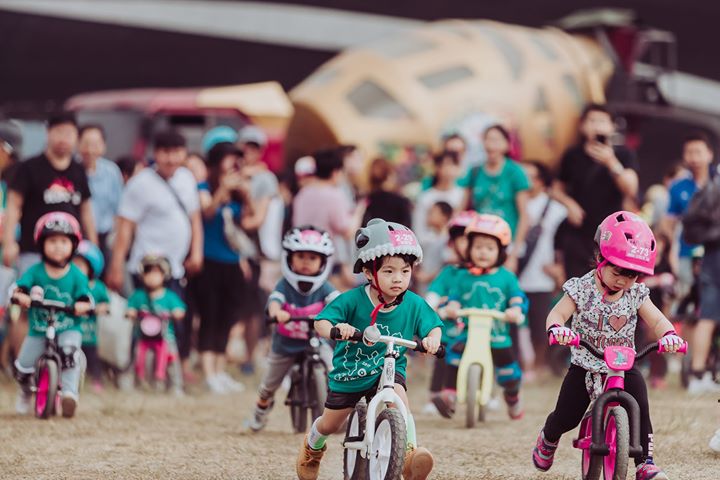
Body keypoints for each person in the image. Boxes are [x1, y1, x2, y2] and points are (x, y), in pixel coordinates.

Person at [532, 211, 685, 480]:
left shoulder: (636, 293)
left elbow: (658, 320)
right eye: (618, 271)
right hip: (585, 364)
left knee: (640, 406)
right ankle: (549, 436)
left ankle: (645, 462)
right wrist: (558, 329)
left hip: (624, 365)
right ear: (601, 257)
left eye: (633, 275)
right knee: (567, 415)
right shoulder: (581, 288)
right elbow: (556, 314)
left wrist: (669, 334)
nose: (624, 281)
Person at [295, 219, 442, 480]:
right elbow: (321, 321)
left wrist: (431, 339)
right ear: (368, 272)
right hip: (351, 372)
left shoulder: (414, 304)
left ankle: (408, 453)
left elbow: (433, 326)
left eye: (405, 271)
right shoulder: (353, 299)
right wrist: (337, 329)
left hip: (389, 368)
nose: (398, 278)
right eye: (388, 271)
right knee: (330, 423)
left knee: (398, 401)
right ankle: (313, 448)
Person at [106, 130, 203, 377]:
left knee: (177, 319)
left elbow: (194, 219)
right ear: (155, 153)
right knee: (144, 321)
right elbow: (125, 228)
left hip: (176, 267)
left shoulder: (186, 178)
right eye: (165, 152)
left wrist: (196, 252)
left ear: (183, 153)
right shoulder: (141, 183)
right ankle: (136, 369)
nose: (171, 159)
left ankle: (175, 368)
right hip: (145, 267)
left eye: (176, 153)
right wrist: (116, 265)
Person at [246, 226, 339, 432]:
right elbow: (275, 301)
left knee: (333, 368)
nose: (306, 262)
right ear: (290, 259)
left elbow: (338, 302)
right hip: (285, 345)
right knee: (270, 384)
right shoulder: (284, 285)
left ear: (323, 262)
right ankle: (260, 411)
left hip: (316, 341)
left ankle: (337, 409)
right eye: (301, 257)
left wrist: (344, 316)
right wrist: (276, 312)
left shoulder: (325, 287)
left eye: (313, 258)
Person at [441, 214, 526, 420]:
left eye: (489, 248)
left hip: (497, 334)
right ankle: (450, 393)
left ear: (500, 251)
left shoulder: (506, 276)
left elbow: (516, 297)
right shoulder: (463, 276)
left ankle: (512, 396)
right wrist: (451, 307)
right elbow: (455, 297)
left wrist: (515, 311)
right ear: (469, 248)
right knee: (453, 356)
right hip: (468, 331)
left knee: (508, 372)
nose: (483, 252)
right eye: (478, 247)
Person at [12, 212, 92, 417]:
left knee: (69, 354)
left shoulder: (76, 274)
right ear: (42, 244)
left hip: (68, 326)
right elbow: (20, 286)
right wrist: (20, 296)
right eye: (53, 241)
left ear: (73, 245)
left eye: (64, 241)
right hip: (38, 329)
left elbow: (85, 295)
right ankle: (25, 392)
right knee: (23, 367)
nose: (58, 246)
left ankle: (69, 394)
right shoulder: (35, 271)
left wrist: (82, 304)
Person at [659, 133, 720, 395]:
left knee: (705, 314)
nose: (694, 157)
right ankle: (693, 370)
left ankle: (698, 371)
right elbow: (669, 222)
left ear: (709, 154)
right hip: (691, 255)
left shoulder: (715, 180)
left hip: (708, 254)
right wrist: (670, 251)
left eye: (699, 151)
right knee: (694, 314)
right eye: (689, 152)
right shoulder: (679, 187)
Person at [552, 103, 639, 279]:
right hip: (577, 233)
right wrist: (569, 204)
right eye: (591, 121)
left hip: (610, 235)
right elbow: (555, 189)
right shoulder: (572, 155)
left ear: (612, 126)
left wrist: (611, 162)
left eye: (602, 121)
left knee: (605, 284)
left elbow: (631, 188)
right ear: (582, 125)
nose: (596, 125)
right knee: (576, 286)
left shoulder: (623, 155)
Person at [3, 112, 97, 275]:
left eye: (68, 133)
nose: (63, 138)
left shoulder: (79, 171)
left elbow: (86, 211)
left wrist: (93, 245)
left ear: (76, 137)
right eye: (59, 132)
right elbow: (13, 207)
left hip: (70, 255)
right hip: (33, 252)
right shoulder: (29, 168)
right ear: (48, 133)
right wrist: (9, 242)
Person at [196, 142, 253, 394]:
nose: (233, 163)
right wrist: (222, 190)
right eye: (229, 158)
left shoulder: (238, 192)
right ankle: (208, 373)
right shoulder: (204, 187)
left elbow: (247, 223)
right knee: (210, 316)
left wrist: (245, 193)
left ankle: (220, 371)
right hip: (209, 261)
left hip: (232, 262)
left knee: (227, 318)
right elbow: (207, 212)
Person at [423, 210, 475, 414]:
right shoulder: (449, 272)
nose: (468, 246)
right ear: (453, 244)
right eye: (462, 240)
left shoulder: (490, 276)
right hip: (451, 328)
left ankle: (485, 392)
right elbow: (434, 293)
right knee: (442, 354)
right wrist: (435, 305)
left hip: (477, 328)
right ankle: (436, 394)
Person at [459, 124, 530, 272]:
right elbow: (461, 210)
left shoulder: (515, 172)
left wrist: (514, 255)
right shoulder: (475, 171)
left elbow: (524, 215)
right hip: (478, 244)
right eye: (488, 140)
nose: (491, 145)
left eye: (496, 140)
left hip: (505, 245)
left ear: (506, 144)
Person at [518, 161, 567, 372]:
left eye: (530, 176)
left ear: (540, 181)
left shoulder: (555, 209)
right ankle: (520, 366)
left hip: (541, 276)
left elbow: (563, 243)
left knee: (540, 325)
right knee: (513, 326)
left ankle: (539, 367)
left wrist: (559, 269)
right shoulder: (516, 204)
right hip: (515, 273)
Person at [126, 254, 185, 395]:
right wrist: (132, 312)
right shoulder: (139, 295)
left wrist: (175, 313)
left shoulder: (169, 296)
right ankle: (141, 385)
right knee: (139, 359)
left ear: (164, 275)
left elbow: (180, 310)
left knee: (172, 358)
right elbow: (130, 308)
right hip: (144, 337)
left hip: (165, 337)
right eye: (148, 272)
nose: (152, 277)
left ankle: (175, 385)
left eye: (156, 273)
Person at [78, 124, 123, 270]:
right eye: (86, 144)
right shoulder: (72, 170)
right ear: (78, 144)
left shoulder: (111, 172)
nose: (90, 150)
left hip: (104, 236)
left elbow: (118, 209)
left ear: (103, 146)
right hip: (76, 236)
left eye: (96, 144)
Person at [73, 240, 110, 393]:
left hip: (90, 334)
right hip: (73, 330)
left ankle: (96, 380)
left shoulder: (97, 287)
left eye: (81, 266)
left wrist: (97, 308)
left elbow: (106, 304)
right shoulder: (71, 285)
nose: (76, 269)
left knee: (93, 358)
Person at [412, 150, 464, 242]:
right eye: (446, 164)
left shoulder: (462, 195)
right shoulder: (426, 197)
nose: (450, 169)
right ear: (437, 168)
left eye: (454, 164)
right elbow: (418, 230)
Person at [362, 157, 412, 227]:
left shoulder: (365, 200)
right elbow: (407, 228)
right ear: (389, 176)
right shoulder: (401, 201)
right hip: (395, 237)